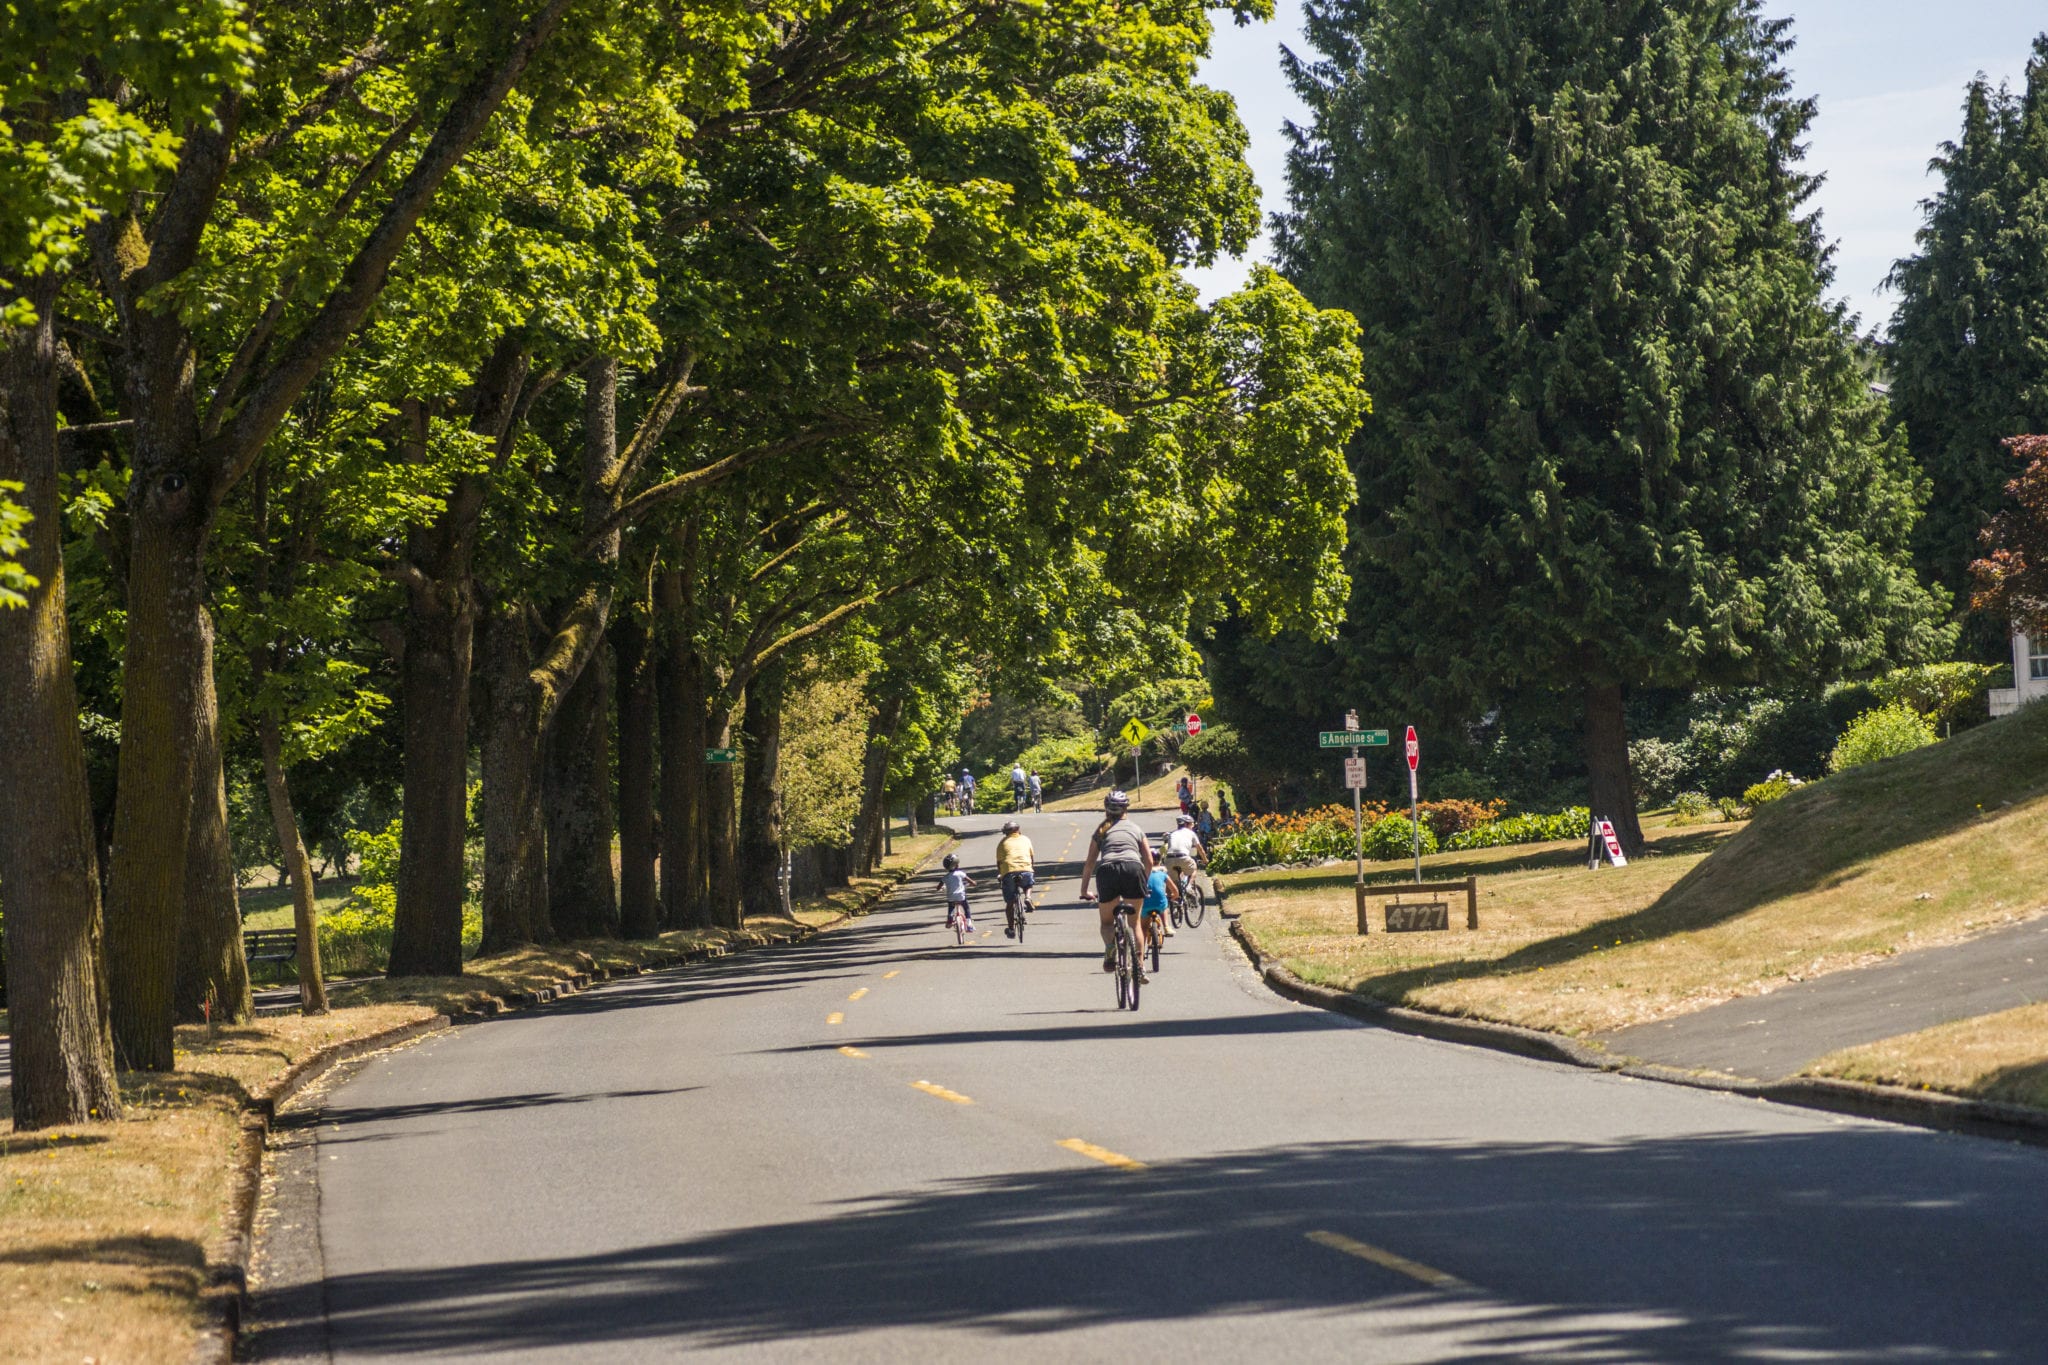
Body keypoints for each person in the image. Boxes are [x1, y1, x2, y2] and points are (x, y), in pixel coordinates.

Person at [1077, 789, 1153, 983]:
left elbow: (1089, 863)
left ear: (1106, 810)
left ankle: (1110, 948)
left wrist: (1084, 890)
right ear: (1126, 809)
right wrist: (1143, 882)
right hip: (1133, 869)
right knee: (1135, 923)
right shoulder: (1136, 829)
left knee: (1107, 922)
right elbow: (1149, 861)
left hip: (1108, 870)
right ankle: (1140, 967)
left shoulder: (1101, 830)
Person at [1162, 812, 1206, 931]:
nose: (1192, 826)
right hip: (1183, 857)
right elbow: (1199, 848)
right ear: (1187, 824)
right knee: (1193, 867)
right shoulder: (1191, 833)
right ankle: (1189, 886)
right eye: (1191, 824)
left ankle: (1175, 905)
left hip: (1169, 859)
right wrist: (1205, 859)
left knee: (1174, 883)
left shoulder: (1172, 834)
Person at [995, 819, 1036, 937]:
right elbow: (1031, 857)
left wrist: (1001, 875)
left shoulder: (1002, 843)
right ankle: (1028, 897)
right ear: (1018, 830)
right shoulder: (1026, 839)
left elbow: (999, 862)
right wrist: (1030, 868)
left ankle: (1011, 928)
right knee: (1028, 884)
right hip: (1025, 869)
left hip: (1009, 871)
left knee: (1010, 903)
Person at [940, 853, 976, 935]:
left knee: (951, 906)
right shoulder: (960, 873)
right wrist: (973, 883)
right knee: (966, 907)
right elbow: (971, 881)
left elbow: (939, 887)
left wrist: (940, 888)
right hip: (961, 897)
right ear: (956, 865)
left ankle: (950, 918)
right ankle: (969, 924)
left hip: (951, 897)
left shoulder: (945, 877)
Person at [1141, 860, 1171, 952]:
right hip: (1160, 904)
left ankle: (1141, 952)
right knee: (1164, 904)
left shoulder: (1141, 873)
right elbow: (1175, 891)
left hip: (1145, 904)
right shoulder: (1163, 873)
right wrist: (1173, 896)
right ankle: (1166, 926)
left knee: (1143, 929)